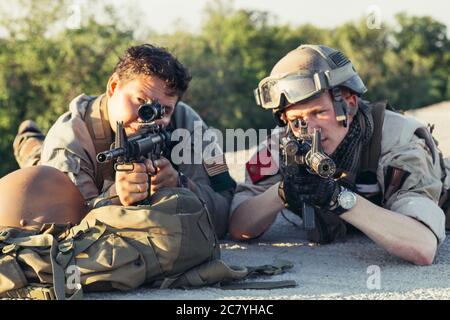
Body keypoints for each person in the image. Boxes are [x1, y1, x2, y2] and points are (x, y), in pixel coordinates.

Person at [229, 44, 447, 265]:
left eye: (319, 113)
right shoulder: (281, 144)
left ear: (349, 105)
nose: (309, 128)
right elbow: (239, 226)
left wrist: (336, 198)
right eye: (296, 120)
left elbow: (422, 245)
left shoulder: (396, 138)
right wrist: (283, 191)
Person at [13, 44, 235, 238]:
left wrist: (182, 184)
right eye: (140, 101)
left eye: (164, 110)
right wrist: (114, 198)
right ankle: (29, 142)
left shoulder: (187, 122)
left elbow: (226, 211)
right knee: (40, 169)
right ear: (113, 87)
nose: (150, 117)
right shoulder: (69, 141)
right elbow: (69, 233)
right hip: (70, 162)